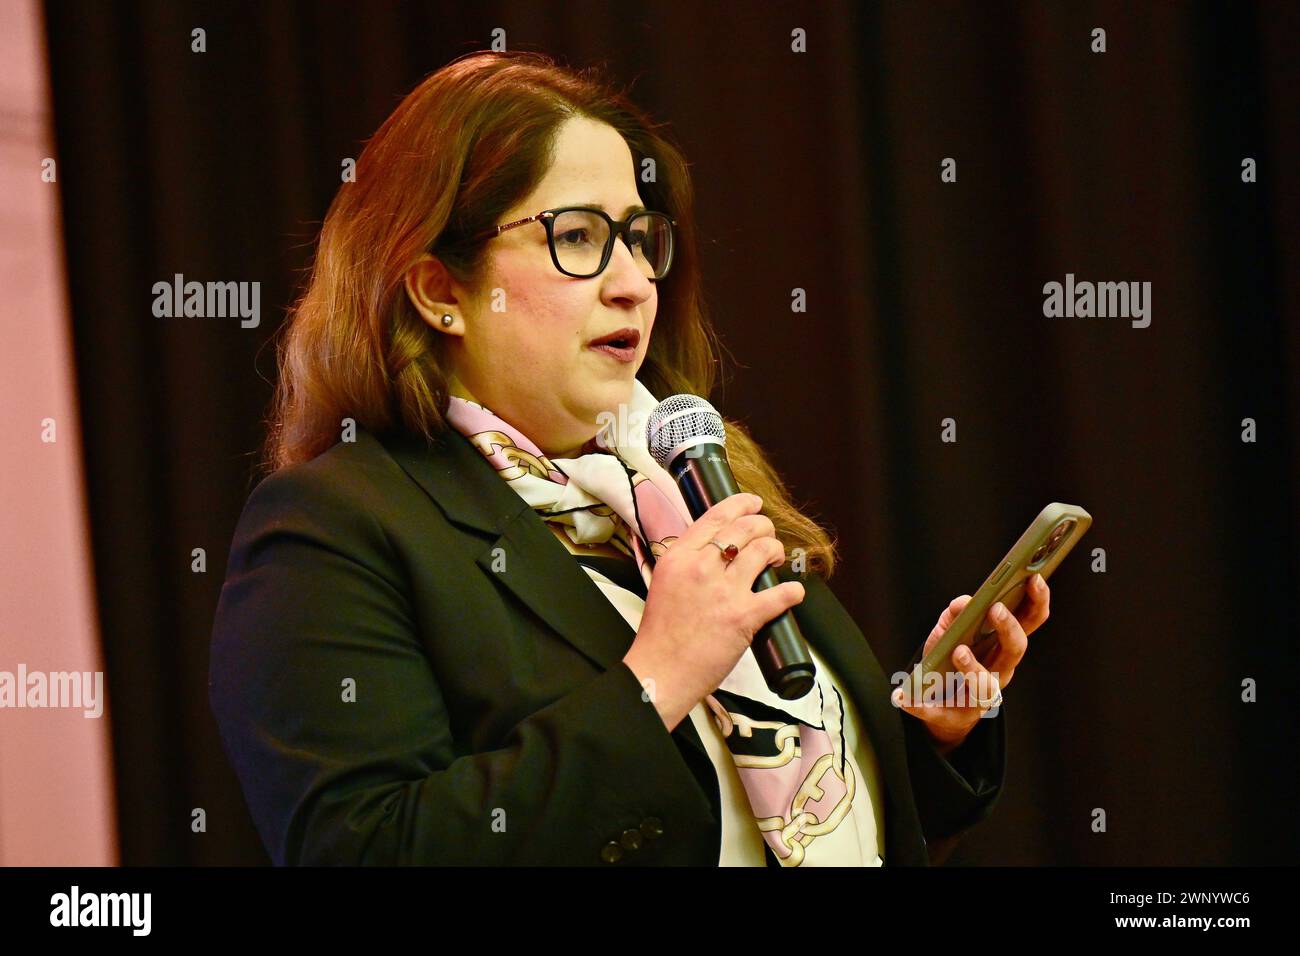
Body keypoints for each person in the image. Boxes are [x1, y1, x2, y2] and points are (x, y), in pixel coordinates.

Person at [209, 50, 1050, 867]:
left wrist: (937, 727)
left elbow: (830, 820)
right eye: (577, 236)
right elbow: (368, 850)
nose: (635, 283)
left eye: (641, 240)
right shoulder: (333, 531)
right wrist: (654, 682)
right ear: (438, 291)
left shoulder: (684, 484)